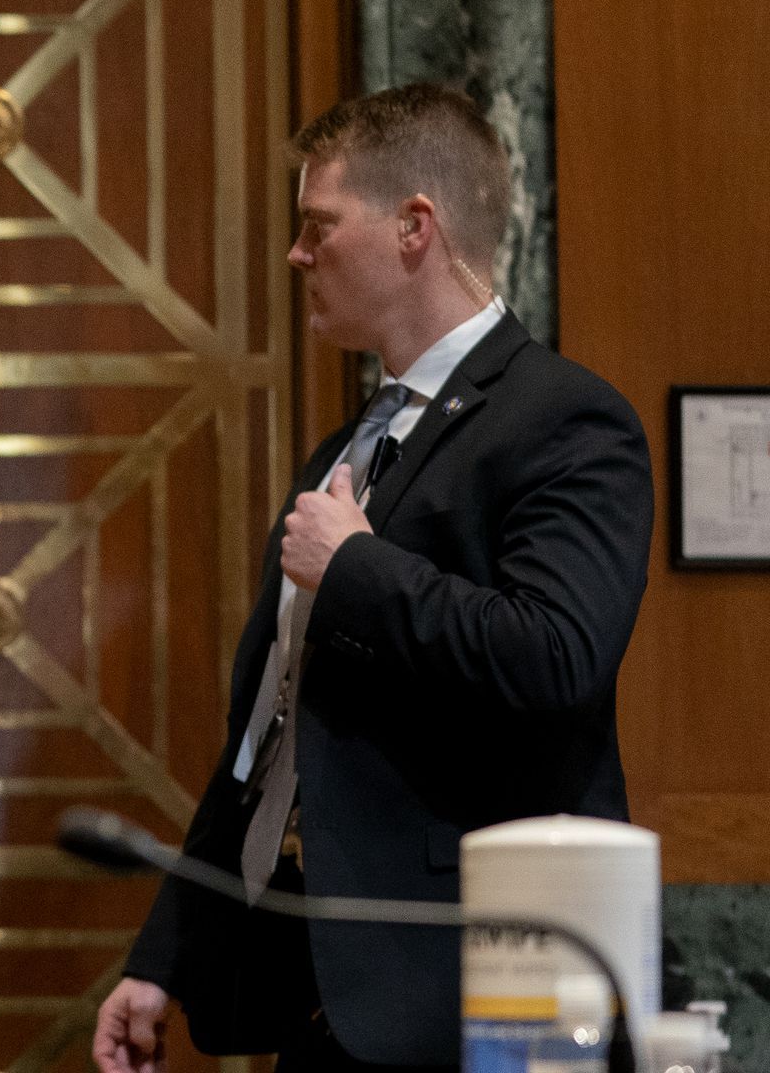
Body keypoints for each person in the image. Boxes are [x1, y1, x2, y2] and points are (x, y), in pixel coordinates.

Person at [92, 83, 652, 1072]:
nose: (297, 254)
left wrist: (353, 567)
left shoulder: (564, 419)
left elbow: (558, 655)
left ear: (414, 227)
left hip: (475, 988)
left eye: (319, 225)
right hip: (316, 993)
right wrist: (165, 958)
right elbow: (269, 732)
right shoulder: (344, 452)